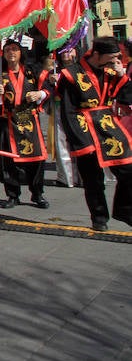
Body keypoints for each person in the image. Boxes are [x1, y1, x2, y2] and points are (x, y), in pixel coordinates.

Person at [57, 37, 132, 231]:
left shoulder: (111, 70)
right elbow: (67, 112)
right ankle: (99, 218)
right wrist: (81, 141)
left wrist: (123, 77)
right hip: (84, 127)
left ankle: (124, 209)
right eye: (113, 56)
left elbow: (125, 97)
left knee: (127, 168)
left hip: (108, 126)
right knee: (93, 178)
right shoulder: (70, 74)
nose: (116, 59)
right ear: (97, 54)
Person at [0, 39, 52, 209]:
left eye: (14, 49)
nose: (11, 53)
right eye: (7, 50)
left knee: (37, 158)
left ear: (20, 52)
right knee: (9, 159)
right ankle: (12, 195)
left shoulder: (33, 72)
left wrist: (39, 94)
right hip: (9, 121)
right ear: (3, 54)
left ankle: (37, 193)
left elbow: (48, 89)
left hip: (29, 120)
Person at [50, 48, 82, 188]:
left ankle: (83, 176)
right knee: (61, 142)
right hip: (60, 108)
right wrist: (51, 83)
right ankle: (66, 177)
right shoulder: (54, 71)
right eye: (63, 51)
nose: (66, 54)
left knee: (81, 142)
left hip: (78, 110)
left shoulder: (81, 69)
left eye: (70, 50)